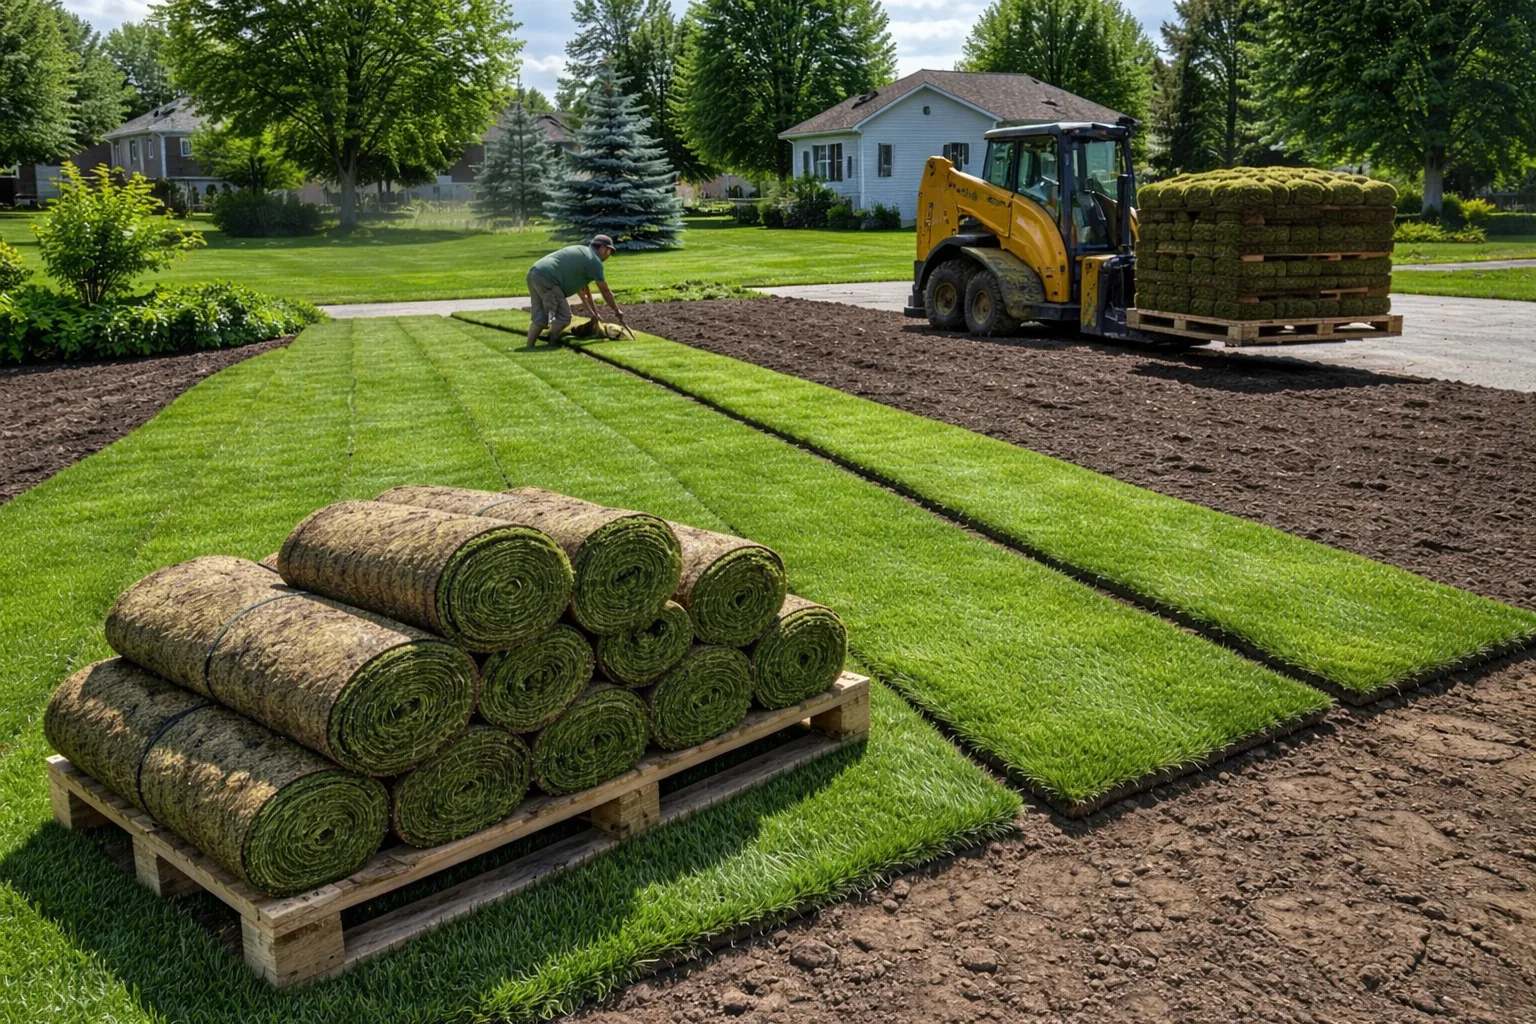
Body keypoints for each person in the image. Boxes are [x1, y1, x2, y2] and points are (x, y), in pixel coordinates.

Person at [525, 234, 629, 347]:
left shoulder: (583, 253)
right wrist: (617, 311)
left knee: (540, 317)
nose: (610, 255)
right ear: (603, 248)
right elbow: (605, 290)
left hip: (534, 273)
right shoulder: (594, 262)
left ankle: (529, 347)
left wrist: (594, 313)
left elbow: (584, 293)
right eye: (610, 251)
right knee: (564, 318)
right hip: (549, 278)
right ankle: (552, 340)